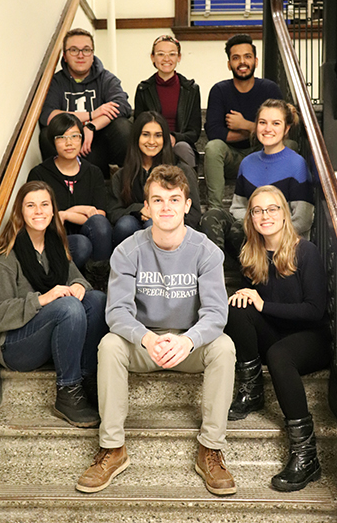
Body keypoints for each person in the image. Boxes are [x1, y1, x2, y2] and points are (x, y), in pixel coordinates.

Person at [75, 165, 236, 496]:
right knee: (109, 346)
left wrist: (188, 340)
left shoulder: (206, 251)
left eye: (174, 199)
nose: (166, 207)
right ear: (146, 207)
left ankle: (211, 449)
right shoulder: (127, 251)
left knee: (224, 347)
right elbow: (117, 311)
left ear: (187, 205)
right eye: (158, 200)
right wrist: (146, 338)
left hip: (189, 344)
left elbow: (217, 313)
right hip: (145, 342)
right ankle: (112, 448)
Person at [225, 185, 331, 492]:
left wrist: (263, 304)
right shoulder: (251, 253)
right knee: (238, 306)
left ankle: (306, 455)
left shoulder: (305, 251)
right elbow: (254, 309)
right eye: (257, 210)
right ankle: (252, 389)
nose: (264, 215)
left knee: (280, 355)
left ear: (284, 214)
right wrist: (251, 299)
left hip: (311, 338)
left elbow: (314, 310)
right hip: (276, 335)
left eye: (272, 209)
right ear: (251, 217)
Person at [0, 181, 108, 428]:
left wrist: (79, 285)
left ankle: (86, 378)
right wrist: (43, 298)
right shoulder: (5, 255)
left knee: (96, 299)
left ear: (53, 210)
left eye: (44, 204)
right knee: (68, 308)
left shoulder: (55, 244)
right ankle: (68, 391)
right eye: (30, 205)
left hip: (45, 333)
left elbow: (76, 277)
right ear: (20, 211)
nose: (38, 211)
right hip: (14, 346)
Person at [201, 99, 314, 254]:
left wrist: (268, 229)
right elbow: (237, 207)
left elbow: (303, 219)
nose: (268, 129)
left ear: (286, 128)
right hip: (249, 235)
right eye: (262, 122)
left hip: (282, 243)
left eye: (276, 123)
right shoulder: (247, 163)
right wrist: (256, 222)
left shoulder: (297, 164)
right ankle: (215, 270)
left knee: (239, 231)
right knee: (212, 216)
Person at [39, 28, 132, 177]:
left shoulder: (106, 78)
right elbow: (48, 115)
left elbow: (122, 106)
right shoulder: (56, 82)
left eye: (86, 50)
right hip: (69, 142)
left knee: (123, 127)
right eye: (74, 50)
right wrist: (91, 114)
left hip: (99, 140)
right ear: (65, 56)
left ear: (93, 54)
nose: (81, 55)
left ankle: (126, 177)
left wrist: (91, 126)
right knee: (46, 134)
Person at [204, 33, 283, 208]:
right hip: (232, 157)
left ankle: (278, 206)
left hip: (263, 154)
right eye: (236, 58)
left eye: (247, 57)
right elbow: (214, 132)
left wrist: (245, 125)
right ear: (229, 64)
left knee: (289, 145)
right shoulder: (219, 90)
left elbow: (282, 130)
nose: (242, 62)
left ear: (255, 61)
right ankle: (215, 209)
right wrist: (258, 132)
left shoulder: (269, 89)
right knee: (213, 147)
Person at [28, 113, 112, 271]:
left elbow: (99, 216)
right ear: (53, 140)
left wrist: (66, 214)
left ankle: (100, 279)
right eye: (62, 137)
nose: (69, 143)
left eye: (75, 136)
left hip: (89, 234)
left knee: (100, 225)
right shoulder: (39, 174)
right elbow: (42, 218)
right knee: (81, 244)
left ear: (81, 139)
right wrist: (82, 211)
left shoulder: (93, 172)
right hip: (54, 239)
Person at [107, 111, 201, 246]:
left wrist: (159, 214)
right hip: (133, 228)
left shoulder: (182, 170)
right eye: (145, 135)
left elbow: (194, 214)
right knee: (125, 225)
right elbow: (113, 213)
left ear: (165, 139)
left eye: (158, 135)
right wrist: (140, 209)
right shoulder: (122, 175)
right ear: (136, 138)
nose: (151, 141)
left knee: (153, 225)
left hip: (172, 232)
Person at [134, 35, 201, 168]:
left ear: (179, 57)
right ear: (153, 58)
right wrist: (158, 138)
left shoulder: (191, 89)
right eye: (160, 54)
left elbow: (194, 132)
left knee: (182, 148)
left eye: (172, 54)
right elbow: (138, 126)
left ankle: (189, 189)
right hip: (152, 143)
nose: (166, 59)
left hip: (179, 145)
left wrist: (174, 138)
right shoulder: (144, 89)